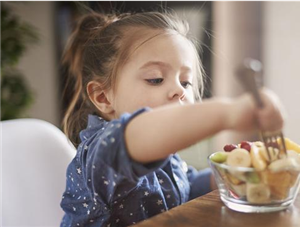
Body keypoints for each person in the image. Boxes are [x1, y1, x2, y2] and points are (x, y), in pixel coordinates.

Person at [60, 11, 285, 227]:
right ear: (103, 97)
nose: (179, 90)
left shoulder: (165, 155)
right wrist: (229, 112)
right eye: (156, 79)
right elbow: (142, 132)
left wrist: (229, 172)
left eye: (186, 82)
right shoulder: (101, 153)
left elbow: (186, 187)